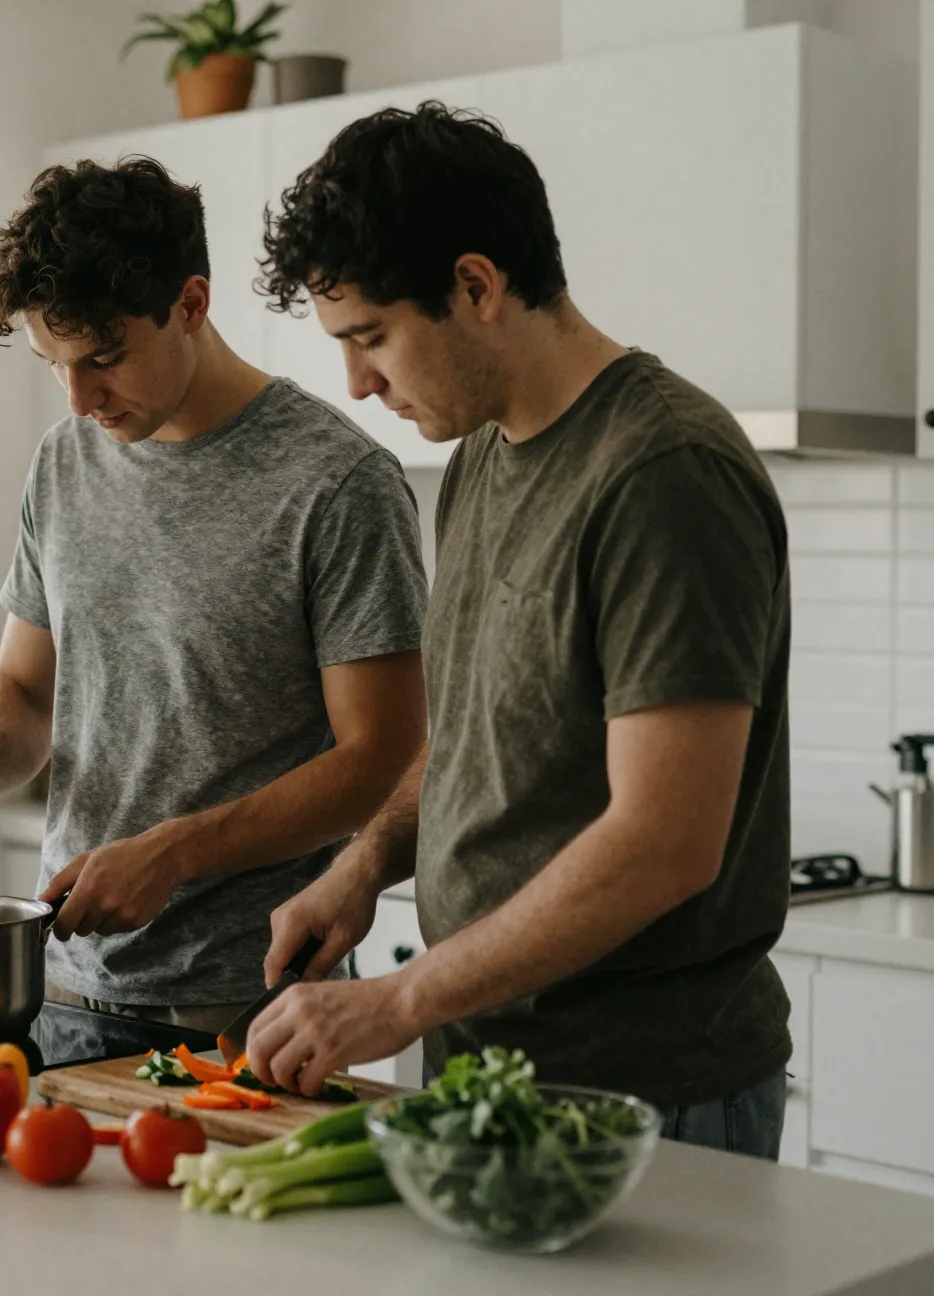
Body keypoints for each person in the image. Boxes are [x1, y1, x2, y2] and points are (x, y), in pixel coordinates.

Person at [246, 104, 793, 1160]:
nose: (357, 381)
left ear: (477, 287)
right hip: (487, 1064)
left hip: (643, 1101)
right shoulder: (481, 459)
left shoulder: (663, 473)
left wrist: (394, 1002)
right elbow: (475, 734)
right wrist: (365, 866)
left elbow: (666, 845)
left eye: (370, 337)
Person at [0, 157, 429, 1032]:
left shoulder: (337, 483)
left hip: (245, 995)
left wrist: (173, 855)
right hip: (59, 979)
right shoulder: (62, 464)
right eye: (54, 363)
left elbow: (379, 754)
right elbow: (28, 688)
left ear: (191, 303)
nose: (77, 399)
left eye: (103, 357)